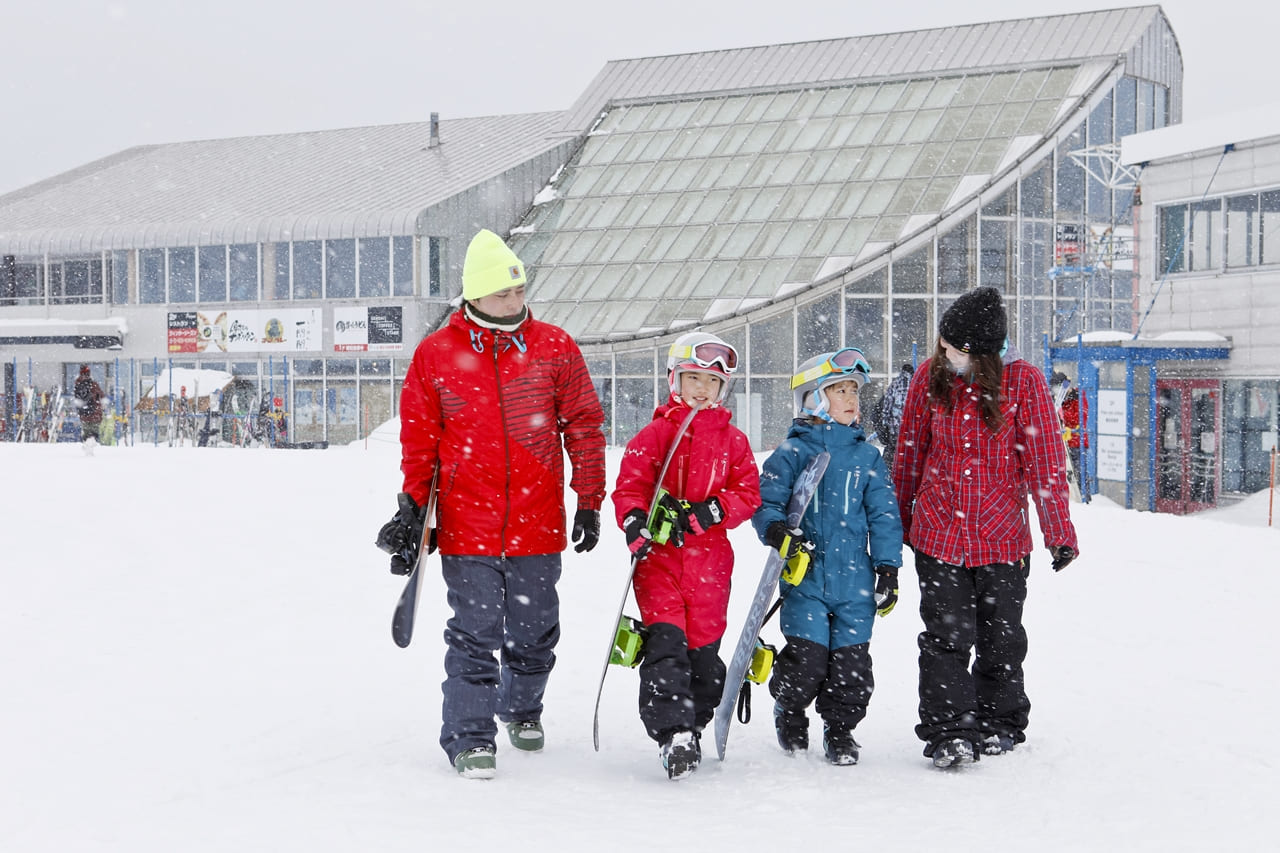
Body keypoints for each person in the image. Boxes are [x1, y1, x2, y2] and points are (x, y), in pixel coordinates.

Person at [375, 228, 606, 780]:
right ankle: (468, 737)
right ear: (474, 295)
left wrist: (590, 500)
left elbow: (585, 426)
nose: (515, 301)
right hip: (465, 522)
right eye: (503, 293)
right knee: (474, 632)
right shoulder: (437, 355)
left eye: (520, 290)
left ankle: (521, 707)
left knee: (535, 631)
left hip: (538, 518)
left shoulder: (554, 346)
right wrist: (413, 508)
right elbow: (420, 440)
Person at [892, 286, 1079, 769]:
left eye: (953, 348)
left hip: (1002, 538)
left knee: (1002, 637)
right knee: (945, 638)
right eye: (943, 344)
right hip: (938, 534)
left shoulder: (1025, 383)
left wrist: (1058, 531)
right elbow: (909, 456)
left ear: (979, 351)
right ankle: (949, 730)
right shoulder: (929, 379)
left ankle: (999, 720)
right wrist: (897, 525)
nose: (945, 353)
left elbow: (1045, 463)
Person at [611, 331, 761, 780]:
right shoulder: (655, 434)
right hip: (660, 563)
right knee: (666, 650)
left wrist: (712, 509)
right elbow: (631, 485)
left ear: (723, 389)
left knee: (704, 661)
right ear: (675, 380)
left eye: (711, 382)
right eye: (693, 377)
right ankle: (671, 732)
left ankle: (693, 725)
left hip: (711, 566)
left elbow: (748, 493)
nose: (701, 388)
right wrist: (636, 521)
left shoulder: (733, 442)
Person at [753, 347, 903, 766]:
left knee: (852, 667)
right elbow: (767, 503)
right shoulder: (791, 452)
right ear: (813, 397)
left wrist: (888, 568)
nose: (852, 398)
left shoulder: (867, 455)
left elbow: (885, 515)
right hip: (806, 579)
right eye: (839, 389)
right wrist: (777, 530)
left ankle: (840, 730)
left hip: (856, 579)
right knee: (807, 662)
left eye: (854, 390)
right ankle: (790, 708)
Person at [873, 362, 914, 476]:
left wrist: (885, 430)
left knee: (888, 475)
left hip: (894, 436)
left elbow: (884, 408)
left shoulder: (895, 384)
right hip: (912, 437)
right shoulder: (918, 385)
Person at [73, 365, 105, 446]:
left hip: (83, 414)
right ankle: (92, 447)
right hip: (95, 413)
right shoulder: (93, 384)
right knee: (94, 433)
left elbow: (77, 399)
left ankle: (86, 445)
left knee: (86, 432)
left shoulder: (77, 384)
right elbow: (101, 396)